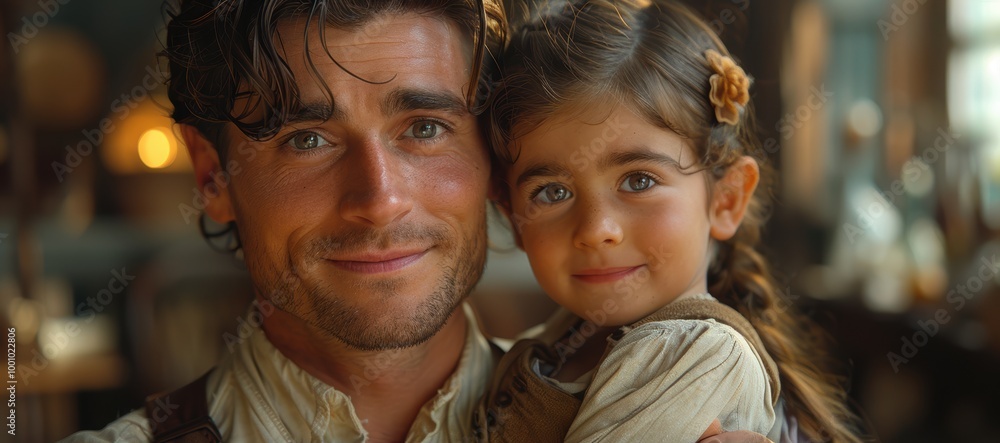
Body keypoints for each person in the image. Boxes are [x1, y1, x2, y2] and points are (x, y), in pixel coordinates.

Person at [59, 0, 778, 441]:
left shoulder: (659, 390)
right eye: (307, 139)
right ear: (213, 177)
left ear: (493, 164)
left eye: (425, 127)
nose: (379, 198)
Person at [474, 0, 865, 442]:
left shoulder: (699, 353)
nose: (597, 229)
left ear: (726, 199)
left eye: (639, 180)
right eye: (552, 192)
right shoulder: (555, 344)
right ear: (513, 216)